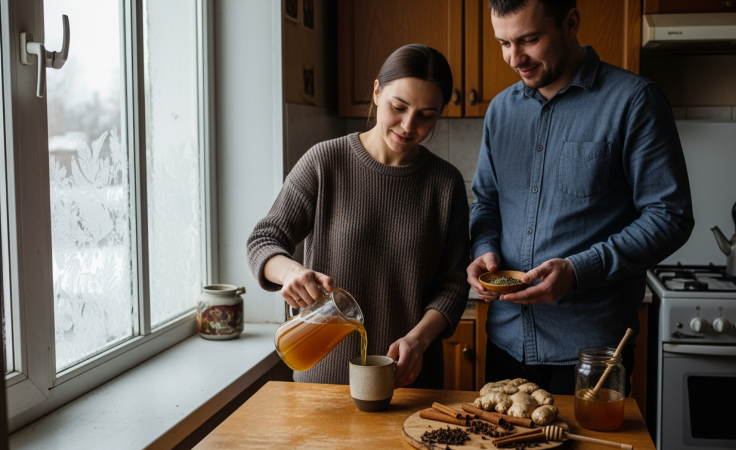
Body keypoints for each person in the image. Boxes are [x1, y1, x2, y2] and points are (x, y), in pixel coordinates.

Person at [467, 0, 694, 395]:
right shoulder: (501, 110)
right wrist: (484, 249)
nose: (514, 58)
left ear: (570, 22)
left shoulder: (634, 101)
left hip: (591, 353)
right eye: (503, 43)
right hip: (505, 341)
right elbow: (486, 202)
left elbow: (669, 216)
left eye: (529, 40)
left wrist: (576, 270)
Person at [247, 44, 470, 389]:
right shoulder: (325, 163)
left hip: (408, 384)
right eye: (399, 107)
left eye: (427, 116)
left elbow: (453, 284)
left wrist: (420, 340)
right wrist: (291, 271)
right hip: (322, 384)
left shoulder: (445, 183)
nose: (409, 126)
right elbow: (264, 239)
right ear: (377, 91)